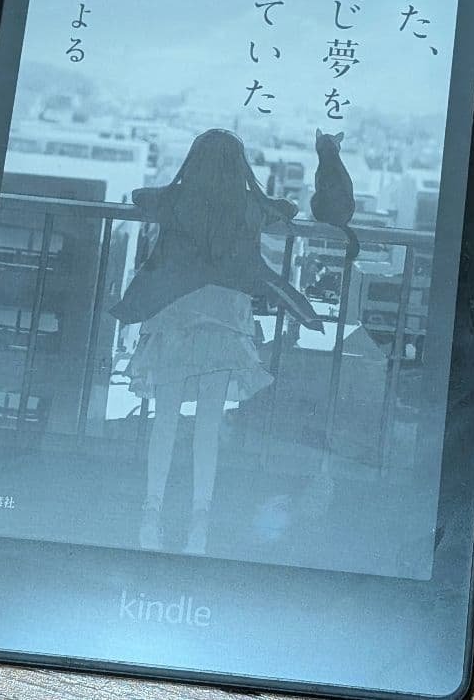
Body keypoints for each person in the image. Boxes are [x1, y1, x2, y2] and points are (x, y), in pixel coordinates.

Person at [111, 129, 322, 555]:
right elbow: (287, 209)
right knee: (208, 423)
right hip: (225, 319)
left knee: (165, 419)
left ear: (195, 159)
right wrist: (259, 196)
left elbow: (140, 196)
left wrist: (177, 185)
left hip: (175, 316)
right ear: (238, 165)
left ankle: (152, 510)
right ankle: (200, 519)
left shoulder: (174, 199)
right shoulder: (249, 206)